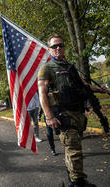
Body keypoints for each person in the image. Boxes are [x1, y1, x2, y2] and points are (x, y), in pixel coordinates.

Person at [38, 34, 110, 187]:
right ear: (49, 49)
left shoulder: (70, 67)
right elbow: (42, 94)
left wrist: (100, 89)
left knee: (73, 148)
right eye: (54, 46)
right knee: (73, 148)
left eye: (60, 45)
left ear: (64, 47)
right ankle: (78, 182)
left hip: (77, 113)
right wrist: (49, 117)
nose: (58, 48)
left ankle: (73, 178)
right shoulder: (46, 68)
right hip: (63, 114)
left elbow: (84, 85)